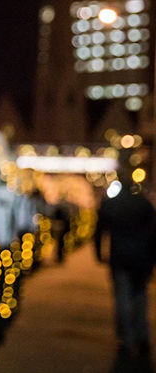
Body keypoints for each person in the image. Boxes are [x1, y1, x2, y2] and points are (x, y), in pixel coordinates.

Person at [95, 148, 155, 356]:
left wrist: (99, 254)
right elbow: (153, 233)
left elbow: (99, 230)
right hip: (141, 257)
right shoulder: (143, 204)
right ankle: (143, 337)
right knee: (140, 297)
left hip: (120, 256)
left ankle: (127, 341)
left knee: (122, 299)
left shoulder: (111, 204)